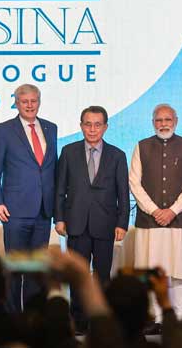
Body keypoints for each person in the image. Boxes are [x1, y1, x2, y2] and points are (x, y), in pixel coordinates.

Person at [54, 105, 130, 329]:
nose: (93, 129)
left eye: (98, 124)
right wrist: (59, 218)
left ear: (105, 127)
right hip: (75, 223)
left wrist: (122, 222)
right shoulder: (68, 152)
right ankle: (78, 319)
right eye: (88, 124)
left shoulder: (117, 155)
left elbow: (123, 193)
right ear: (81, 126)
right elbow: (60, 189)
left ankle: (100, 319)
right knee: (77, 274)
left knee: (102, 274)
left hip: (106, 224)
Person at [130, 104, 182, 320]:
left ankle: (179, 316)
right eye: (159, 120)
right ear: (153, 123)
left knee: (180, 272)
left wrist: (172, 210)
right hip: (150, 222)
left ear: (176, 121)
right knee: (152, 273)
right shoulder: (141, 146)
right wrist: (154, 210)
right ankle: (156, 317)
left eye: (167, 120)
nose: (163, 124)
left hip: (180, 220)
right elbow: (134, 182)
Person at [0, 83, 58, 311]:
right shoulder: (3, 130)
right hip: (15, 211)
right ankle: (12, 318)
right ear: (16, 103)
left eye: (33, 101)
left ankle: (34, 317)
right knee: (15, 268)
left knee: (37, 269)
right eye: (24, 101)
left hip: (43, 211)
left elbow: (51, 169)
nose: (30, 105)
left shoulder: (51, 128)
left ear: (39, 102)